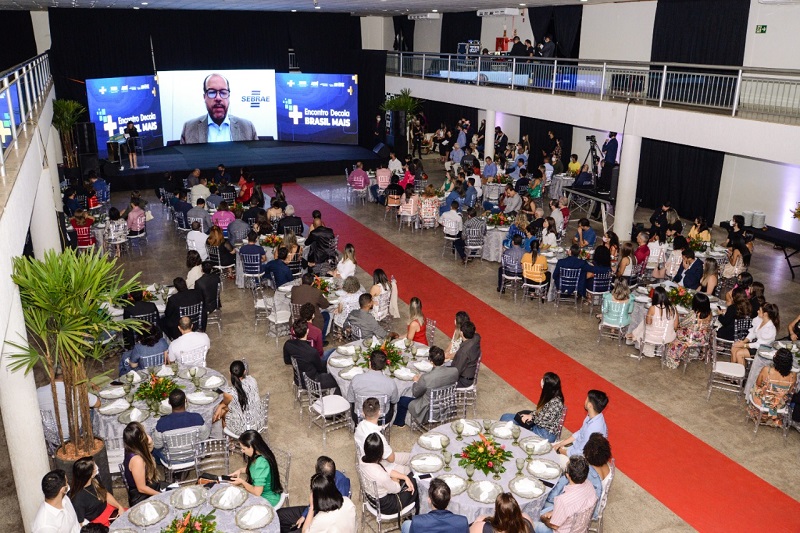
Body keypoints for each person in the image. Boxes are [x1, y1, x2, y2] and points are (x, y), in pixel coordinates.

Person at [180, 73, 257, 144]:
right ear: (204, 97)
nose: (218, 98)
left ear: (229, 96)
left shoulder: (248, 128)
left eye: (223, 92)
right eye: (212, 92)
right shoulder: (189, 129)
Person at [395, 346, 459, 427]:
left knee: (402, 400)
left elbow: (415, 393)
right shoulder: (454, 371)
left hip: (428, 411)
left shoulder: (426, 378)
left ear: (431, 361)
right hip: (447, 406)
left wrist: (415, 381)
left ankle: (399, 423)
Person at [359, 433, 419, 516]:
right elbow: (396, 489)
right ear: (381, 453)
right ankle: (414, 514)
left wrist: (405, 477)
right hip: (387, 505)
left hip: (371, 497)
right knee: (415, 478)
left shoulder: (362, 459)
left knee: (408, 478)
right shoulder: (381, 475)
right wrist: (396, 480)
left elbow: (386, 470)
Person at [534, 456, 598, 533]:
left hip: (562, 530)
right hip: (579, 527)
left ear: (567, 475)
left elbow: (554, 526)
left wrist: (543, 518)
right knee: (543, 509)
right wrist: (554, 512)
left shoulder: (563, 500)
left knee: (530, 521)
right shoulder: (589, 484)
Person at [37, 367, 100, 441]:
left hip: (51, 436)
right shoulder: (75, 391)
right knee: (92, 410)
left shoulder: (38, 392)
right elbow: (97, 403)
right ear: (68, 376)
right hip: (74, 433)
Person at [499, 372, 565, 443]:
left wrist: (531, 418)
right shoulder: (550, 394)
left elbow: (543, 422)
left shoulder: (555, 403)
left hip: (545, 433)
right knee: (505, 417)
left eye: (543, 381)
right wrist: (531, 415)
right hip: (538, 425)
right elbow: (542, 412)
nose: (541, 381)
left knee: (518, 433)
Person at [152, 389, 211, 463]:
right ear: (186, 401)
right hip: (194, 455)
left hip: (171, 459)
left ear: (169, 402)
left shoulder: (162, 423)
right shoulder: (197, 418)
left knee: (153, 449)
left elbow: (158, 445)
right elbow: (205, 437)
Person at [283, 319, 340, 393]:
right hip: (313, 382)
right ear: (307, 331)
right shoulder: (312, 352)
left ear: (294, 332)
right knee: (339, 379)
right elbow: (319, 369)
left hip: (298, 379)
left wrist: (299, 362)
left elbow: (287, 361)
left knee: (326, 363)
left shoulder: (288, 344)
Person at [229, 430, 283, 505]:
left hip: (267, 499)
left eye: (244, 449)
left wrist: (242, 482)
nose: (242, 451)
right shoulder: (259, 454)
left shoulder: (261, 463)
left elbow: (257, 492)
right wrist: (240, 471)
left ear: (252, 447)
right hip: (262, 491)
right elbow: (253, 469)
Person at [747, 348, 797, 426]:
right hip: (780, 405)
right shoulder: (793, 375)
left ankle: (761, 415)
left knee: (755, 387)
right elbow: (790, 391)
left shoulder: (767, 370)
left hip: (763, 402)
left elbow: (758, 384)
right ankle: (773, 417)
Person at [553, 390, 609, 459]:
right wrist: (560, 444)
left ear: (590, 405)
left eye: (586, 399)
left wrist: (560, 451)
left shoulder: (592, 429)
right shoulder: (594, 415)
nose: (585, 401)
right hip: (576, 448)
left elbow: (580, 453)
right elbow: (580, 433)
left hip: (583, 457)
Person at [664, 293, 713, 370]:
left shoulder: (694, 314)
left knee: (674, 335)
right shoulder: (710, 313)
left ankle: (673, 359)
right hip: (704, 338)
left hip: (692, 338)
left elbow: (683, 324)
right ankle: (686, 354)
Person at [69, 457, 123, 526]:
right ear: (89, 474)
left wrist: (119, 506)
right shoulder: (78, 500)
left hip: (110, 511)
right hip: (99, 524)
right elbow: (80, 523)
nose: (97, 467)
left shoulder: (95, 480)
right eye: (94, 467)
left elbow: (105, 494)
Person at [402, 477, 469, 533]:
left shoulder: (417, 521)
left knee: (406, 524)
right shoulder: (462, 522)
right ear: (450, 498)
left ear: (429, 500)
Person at [214, 360, 261, 435]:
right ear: (244, 371)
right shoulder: (252, 380)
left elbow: (225, 404)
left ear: (229, 373)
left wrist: (220, 406)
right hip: (258, 421)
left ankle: (230, 440)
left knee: (223, 412)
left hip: (244, 429)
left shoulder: (229, 393)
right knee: (225, 408)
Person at [626, 286, 678, 354]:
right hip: (667, 337)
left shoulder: (653, 308)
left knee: (644, 322)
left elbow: (648, 323)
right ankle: (634, 334)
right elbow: (675, 327)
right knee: (645, 322)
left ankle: (633, 334)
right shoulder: (674, 308)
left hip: (652, 337)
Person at [122, 422, 160, 506]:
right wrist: (161, 495)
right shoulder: (137, 460)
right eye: (144, 433)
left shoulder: (131, 447)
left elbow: (147, 452)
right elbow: (141, 488)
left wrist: (150, 443)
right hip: (141, 497)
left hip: (149, 486)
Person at [292, 273, 331, 337]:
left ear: (301, 281)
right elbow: (325, 305)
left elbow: (292, 301)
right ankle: (321, 338)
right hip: (312, 321)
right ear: (312, 283)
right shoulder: (316, 292)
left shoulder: (294, 289)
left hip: (296, 319)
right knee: (326, 315)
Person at [452, 321, 481, 388]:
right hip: (470, 374)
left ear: (461, 333)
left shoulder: (464, 351)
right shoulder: (476, 339)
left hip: (463, 381)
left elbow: (457, 371)